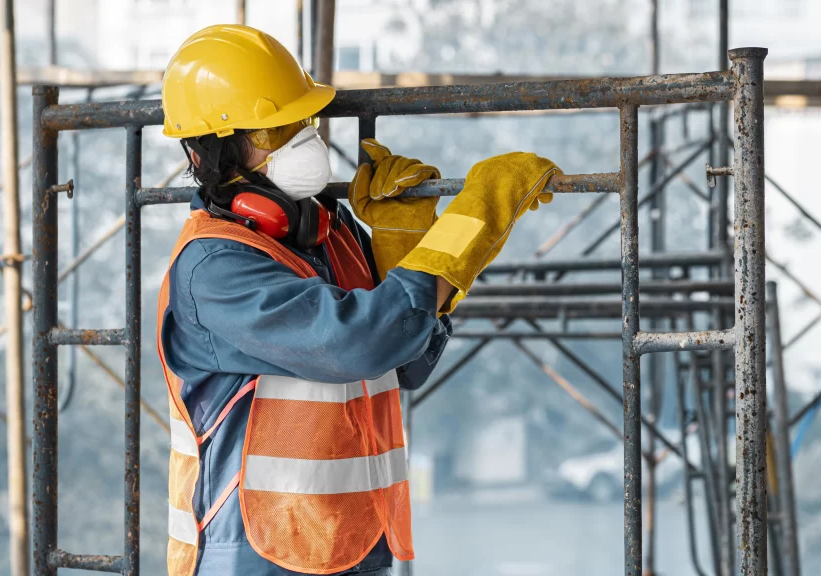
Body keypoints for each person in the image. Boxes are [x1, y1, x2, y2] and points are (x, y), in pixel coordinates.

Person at [156, 24, 560, 576]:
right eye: (276, 130)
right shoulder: (215, 267)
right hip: (254, 552)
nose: (303, 138)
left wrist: (399, 249)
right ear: (218, 154)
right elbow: (357, 342)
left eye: (303, 120)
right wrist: (473, 225)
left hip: (354, 543)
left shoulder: (329, 231)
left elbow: (404, 363)